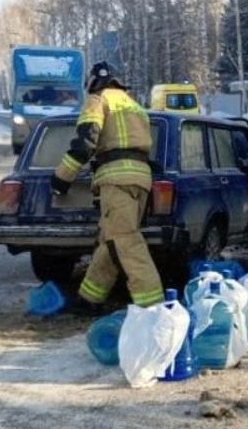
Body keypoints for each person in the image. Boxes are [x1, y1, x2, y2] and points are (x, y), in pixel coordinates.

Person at [51, 62, 164, 310]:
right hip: (141, 179)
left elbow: (86, 142)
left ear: (92, 82)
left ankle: (154, 307)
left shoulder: (97, 100)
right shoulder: (134, 105)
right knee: (111, 239)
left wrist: (61, 178)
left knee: (126, 240)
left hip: (116, 180)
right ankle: (89, 298)